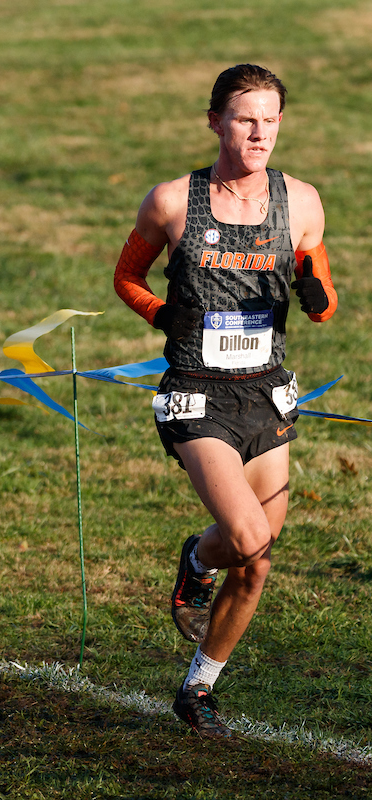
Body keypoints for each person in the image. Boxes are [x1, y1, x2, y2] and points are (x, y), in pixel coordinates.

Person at [113, 64, 336, 738]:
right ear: (215, 122)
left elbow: (320, 290)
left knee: (260, 560)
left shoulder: (302, 201)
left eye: (271, 118)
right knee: (245, 536)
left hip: (265, 394)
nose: (261, 131)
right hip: (196, 394)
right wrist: (159, 313)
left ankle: (198, 689)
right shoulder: (173, 202)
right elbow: (127, 275)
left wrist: (318, 295)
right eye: (246, 118)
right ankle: (198, 559)